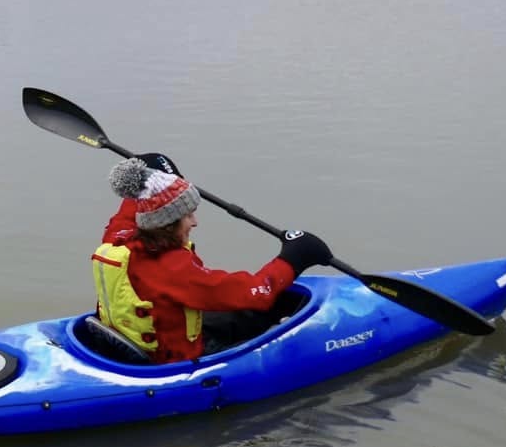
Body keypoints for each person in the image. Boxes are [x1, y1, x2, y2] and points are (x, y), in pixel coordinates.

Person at [90, 156, 328, 363]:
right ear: (168, 223)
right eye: (188, 215)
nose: (195, 222)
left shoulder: (119, 240)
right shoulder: (173, 269)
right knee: (264, 312)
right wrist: (294, 258)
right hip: (182, 358)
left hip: (152, 340)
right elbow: (257, 293)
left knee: (242, 312)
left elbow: (133, 212)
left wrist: (149, 177)